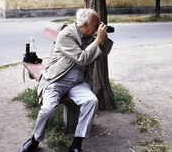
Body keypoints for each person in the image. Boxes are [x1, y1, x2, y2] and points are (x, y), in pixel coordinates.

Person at [18, 8, 113, 152]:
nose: (97, 27)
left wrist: (103, 39)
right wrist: (98, 39)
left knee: (91, 101)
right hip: (57, 80)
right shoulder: (66, 35)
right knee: (48, 110)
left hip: (77, 82)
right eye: (95, 24)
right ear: (85, 24)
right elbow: (83, 58)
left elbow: (103, 52)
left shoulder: (89, 35)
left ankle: (76, 145)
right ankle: (35, 140)